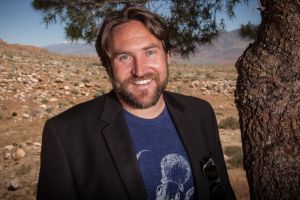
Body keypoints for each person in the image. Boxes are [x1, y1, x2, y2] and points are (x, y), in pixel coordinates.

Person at [37, 5, 236, 200]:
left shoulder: (200, 113)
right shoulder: (66, 134)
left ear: (168, 56)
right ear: (108, 67)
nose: (139, 70)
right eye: (124, 57)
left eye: (150, 52)